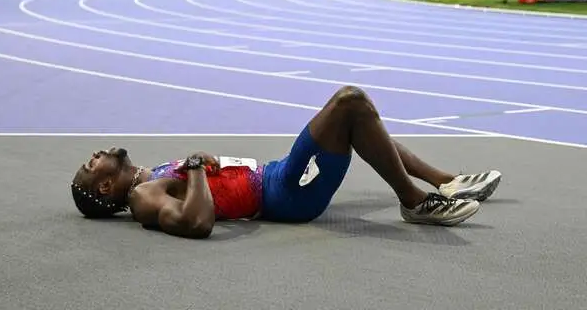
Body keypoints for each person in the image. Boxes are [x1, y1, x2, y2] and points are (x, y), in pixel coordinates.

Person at [71, 86, 501, 239]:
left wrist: (199, 168)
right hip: (283, 195)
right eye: (91, 166)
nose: (95, 157)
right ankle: (414, 201)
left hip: (274, 175)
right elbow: (197, 224)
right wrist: (198, 167)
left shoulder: (150, 176)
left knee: (355, 118)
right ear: (106, 188)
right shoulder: (144, 195)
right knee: (349, 103)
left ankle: (447, 181)